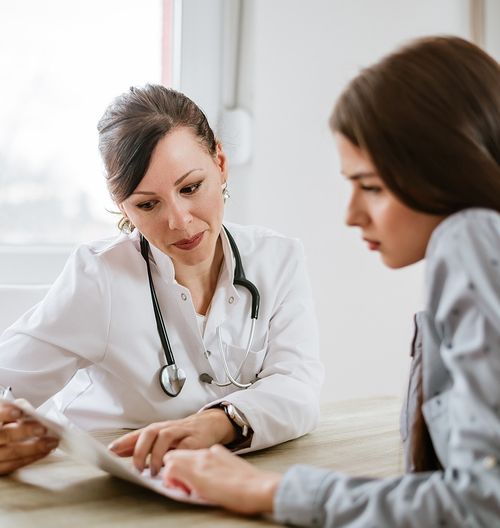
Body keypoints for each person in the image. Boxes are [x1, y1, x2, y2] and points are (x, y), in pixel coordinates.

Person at [157, 36, 500, 526]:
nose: (351, 215)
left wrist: (269, 490)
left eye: (371, 187)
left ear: (453, 169)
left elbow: (480, 503)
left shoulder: (470, 236)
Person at [0, 85, 323, 476]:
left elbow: (299, 387)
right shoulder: (98, 276)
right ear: (123, 205)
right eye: (147, 204)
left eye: (190, 188)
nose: (179, 221)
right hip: (111, 489)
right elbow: (7, 383)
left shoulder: (278, 258)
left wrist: (218, 422)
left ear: (220, 162)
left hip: (228, 483)